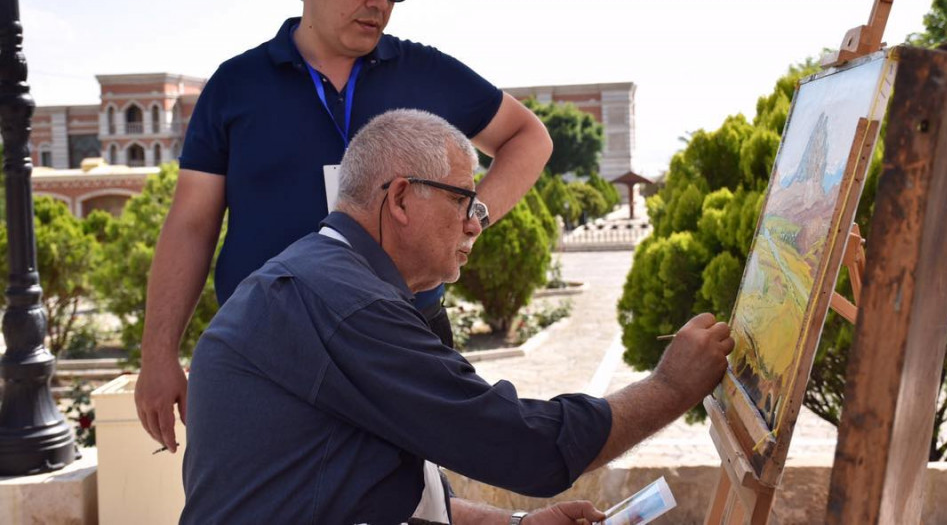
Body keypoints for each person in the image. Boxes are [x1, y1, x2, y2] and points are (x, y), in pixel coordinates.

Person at [136, 0, 553, 453]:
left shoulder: (426, 72)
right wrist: (157, 354)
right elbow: (191, 224)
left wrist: (470, 216)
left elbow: (529, 137)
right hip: (268, 351)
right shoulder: (235, 86)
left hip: (404, 345)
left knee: (413, 496)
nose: (379, 2)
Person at [181, 110, 735, 524]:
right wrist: (672, 386)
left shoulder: (330, 277)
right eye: (464, 201)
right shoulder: (346, 303)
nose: (476, 223)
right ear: (401, 199)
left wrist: (511, 524)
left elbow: (369, 488)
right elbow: (528, 448)